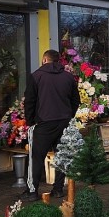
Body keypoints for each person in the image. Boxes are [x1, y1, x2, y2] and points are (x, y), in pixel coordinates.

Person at [22, 49, 80, 201]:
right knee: (61, 156)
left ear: (44, 60)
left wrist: (30, 121)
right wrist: (68, 116)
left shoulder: (36, 76)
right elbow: (76, 101)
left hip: (43, 123)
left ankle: (33, 192)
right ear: (58, 61)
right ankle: (58, 189)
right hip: (64, 122)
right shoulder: (68, 77)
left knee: (36, 158)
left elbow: (29, 101)